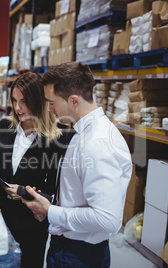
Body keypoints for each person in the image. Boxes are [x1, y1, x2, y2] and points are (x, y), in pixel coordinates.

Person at [22, 62, 132, 268]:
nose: (48, 108)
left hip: (78, 255)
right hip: (71, 248)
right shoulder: (83, 132)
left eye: (52, 102)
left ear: (74, 100)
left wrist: (50, 212)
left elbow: (106, 219)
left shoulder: (96, 143)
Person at [0, 72, 64, 268]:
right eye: (14, 100)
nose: (17, 107)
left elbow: (54, 192)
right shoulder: (4, 127)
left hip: (30, 225)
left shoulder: (55, 140)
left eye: (24, 102)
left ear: (38, 101)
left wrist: (23, 192)